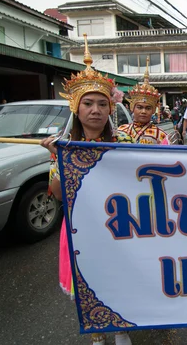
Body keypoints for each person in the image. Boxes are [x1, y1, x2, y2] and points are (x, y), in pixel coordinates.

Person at [40, 34, 134, 345]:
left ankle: (120, 328)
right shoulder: (63, 146)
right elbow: (54, 192)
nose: (95, 110)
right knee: (88, 280)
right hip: (81, 225)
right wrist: (55, 156)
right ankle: (96, 334)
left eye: (102, 103)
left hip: (118, 223)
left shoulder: (123, 142)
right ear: (76, 108)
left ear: (111, 108)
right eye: (88, 103)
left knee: (118, 278)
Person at [118, 57, 169, 145]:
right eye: (139, 107)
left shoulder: (161, 135)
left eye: (148, 108)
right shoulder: (121, 131)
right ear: (132, 107)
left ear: (153, 110)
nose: (143, 111)